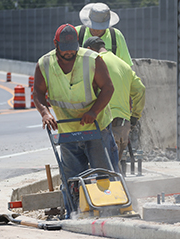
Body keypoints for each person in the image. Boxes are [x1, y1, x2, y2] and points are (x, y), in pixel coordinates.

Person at [33, 23, 117, 218]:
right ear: (56, 44)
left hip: (97, 127)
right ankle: (76, 214)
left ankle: (110, 212)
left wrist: (94, 111)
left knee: (103, 173)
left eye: (73, 48)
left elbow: (108, 88)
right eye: (65, 49)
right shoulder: (44, 64)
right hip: (67, 131)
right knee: (72, 178)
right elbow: (37, 92)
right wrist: (45, 113)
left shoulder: (92, 60)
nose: (70, 53)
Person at [83, 36, 145, 174]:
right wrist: (134, 116)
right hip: (123, 126)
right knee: (114, 171)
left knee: (103, 174)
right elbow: (140, 89)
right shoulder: (123, 64)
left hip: (103, 123)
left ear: (88, 50)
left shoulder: (94, 62)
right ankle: (123, 194)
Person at [76, 2, 133, 67]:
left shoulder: (116, 35)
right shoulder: (77, 33)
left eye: (100, 27)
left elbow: (126, 65)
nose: (96, 30)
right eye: (93, 27)